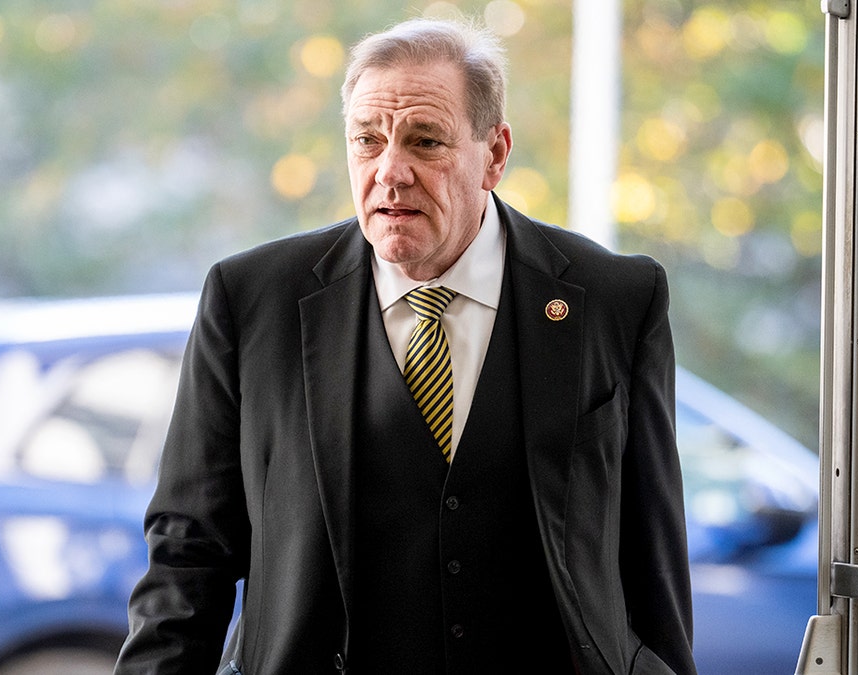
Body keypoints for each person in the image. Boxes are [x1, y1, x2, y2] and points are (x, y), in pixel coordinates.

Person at [115, 16, 695, 675]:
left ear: (495, 154)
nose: (390, 171)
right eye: (367, 141)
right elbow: (188, 555)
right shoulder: (251, 301)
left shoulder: (616, 299)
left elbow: (653, 559)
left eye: (425, 141)